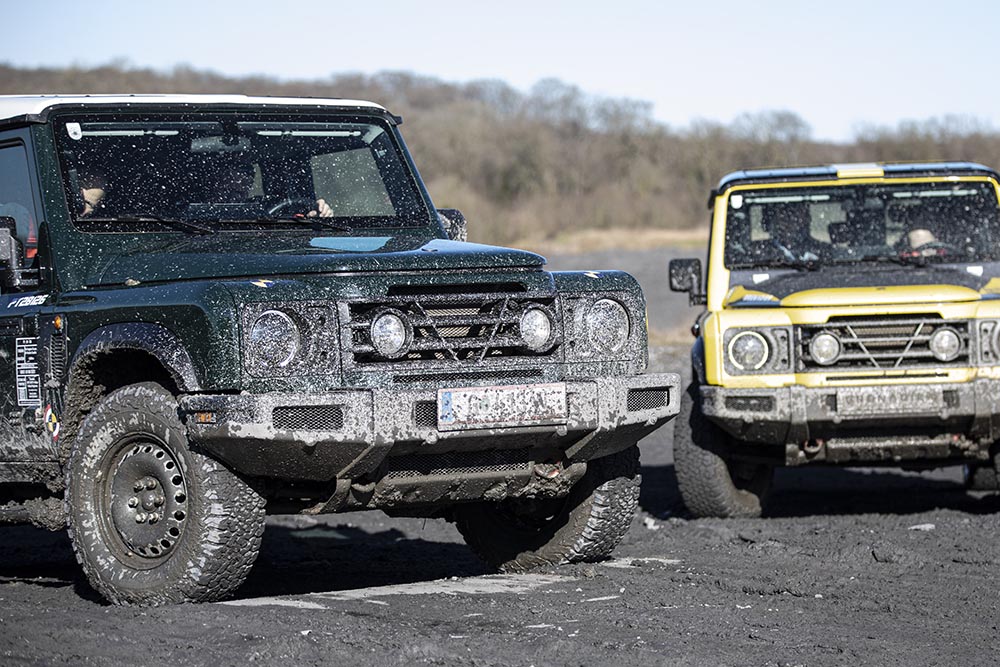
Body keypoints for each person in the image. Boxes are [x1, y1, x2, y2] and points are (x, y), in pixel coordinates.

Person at [762, 202, 827, 262]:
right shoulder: (761, 251)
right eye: (783, 212)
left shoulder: (823, 250)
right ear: (775, 218)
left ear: (806, 218)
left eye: (793, 213)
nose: (788, 219)